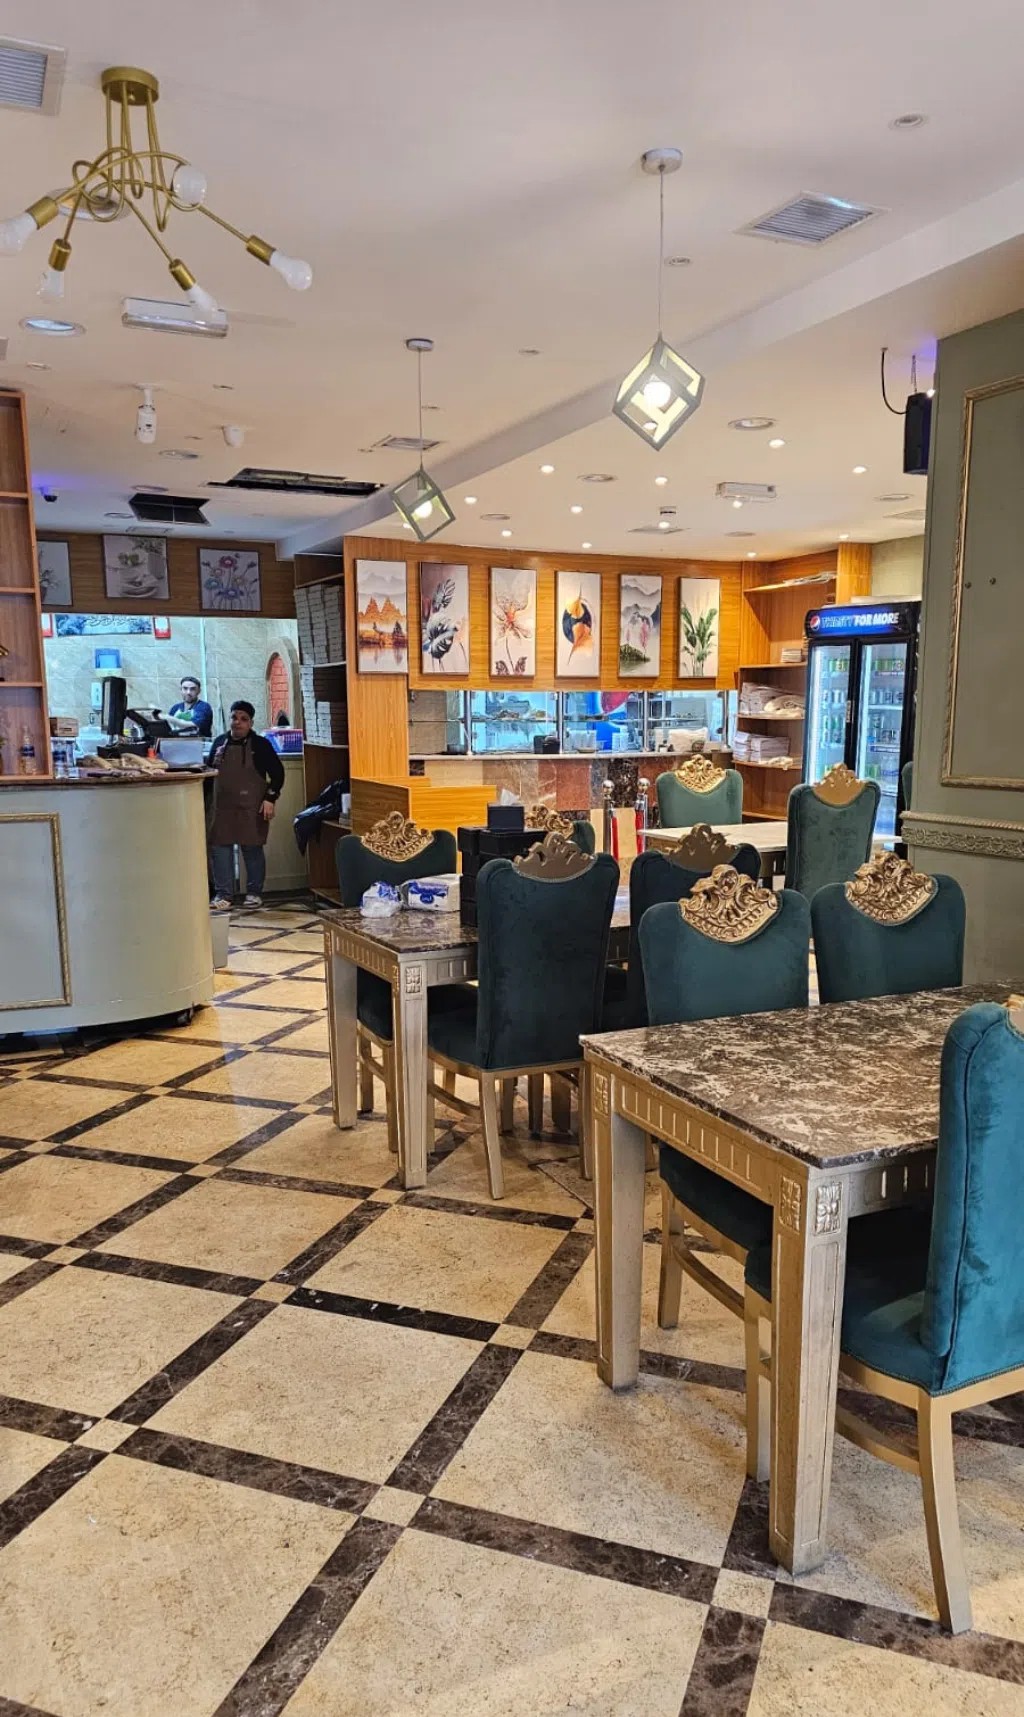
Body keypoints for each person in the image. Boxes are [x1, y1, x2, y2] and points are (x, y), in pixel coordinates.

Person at [207, 701, 285, 910]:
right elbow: (208, 773)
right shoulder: (219, 743)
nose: (237, 722)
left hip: (252, 806)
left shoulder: (261, 745)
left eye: (243, 719)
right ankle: (224, 894)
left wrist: (270, 799)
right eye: (234, 717)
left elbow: (278, 774)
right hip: (222, 808)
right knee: (220, 849)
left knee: (252, 849)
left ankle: (254, 893)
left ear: (251, 723)